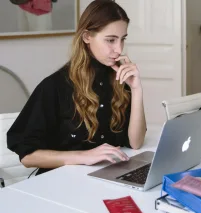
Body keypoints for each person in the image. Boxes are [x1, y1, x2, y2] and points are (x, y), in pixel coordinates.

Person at [7, 0, 147, 176]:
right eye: (110, 40)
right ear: (87, 36)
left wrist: (136, 89)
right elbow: (27, 157)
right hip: (60, 183)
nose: (118, 49)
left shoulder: (119, 79)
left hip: (107, 176)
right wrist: (83, 156)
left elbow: (136, 143)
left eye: (122, 39)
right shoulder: (54, 86)